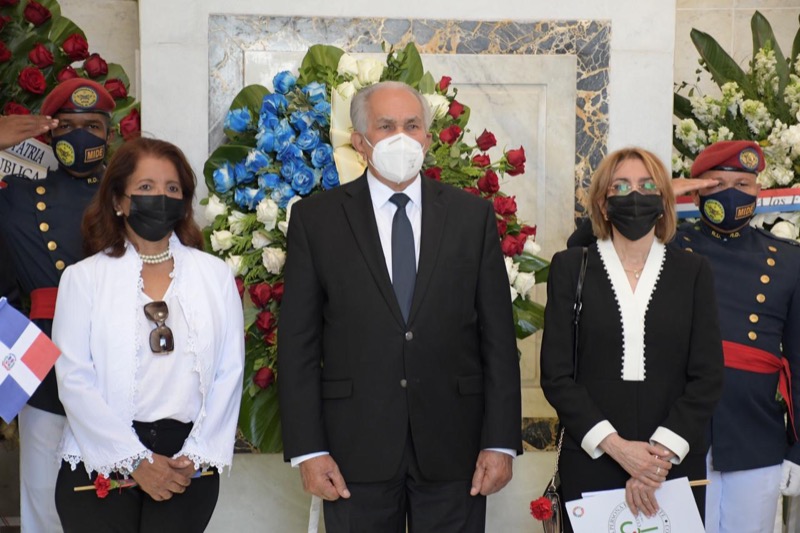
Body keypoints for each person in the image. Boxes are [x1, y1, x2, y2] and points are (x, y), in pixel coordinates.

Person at [278, 81, 522, 533]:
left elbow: (498, 340)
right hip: (354, 452)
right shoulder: (317, 221)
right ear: (359, 141)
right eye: (385, 126)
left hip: (456, 451)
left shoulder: (472, 217)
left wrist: (502, 442)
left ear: (428, 139)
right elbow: (298, 344)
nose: (401, 137)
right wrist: (309, 450)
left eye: (412, 125)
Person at [51, 137, 244, 531]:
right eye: (146, 188)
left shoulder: (214, 275)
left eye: (172, 189)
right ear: (119, 200)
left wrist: (198, 453)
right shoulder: (83, 279)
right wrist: (133, 460)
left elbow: (230, 372)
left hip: (186, 464)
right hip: (101, 459)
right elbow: (74, 380)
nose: (161, 197)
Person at [541, 147, 724, 530]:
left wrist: (658, 457)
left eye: (646, 185)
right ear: (603, 205)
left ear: (662, 200)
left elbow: (707, 376)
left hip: (671, 466)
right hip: (593, 458)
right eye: (620, 186)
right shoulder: (571, 266)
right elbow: (557, 375)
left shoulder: (693, 271)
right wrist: (619, 449)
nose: (634, 195)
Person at [0, 80, 115, 533]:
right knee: (45, 497)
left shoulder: (132, 194)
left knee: (117, 488)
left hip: (117, 348)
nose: (79, 135)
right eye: (65, 126)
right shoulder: (18, 196)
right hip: (40, 353)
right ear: (48, 135)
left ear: (111, 133)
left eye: (91, 125)